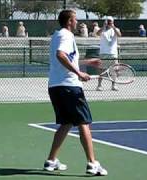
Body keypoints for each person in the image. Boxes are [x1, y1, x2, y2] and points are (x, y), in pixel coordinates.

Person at [44, 9, 108, 176]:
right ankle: (92, 163)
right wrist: (79, 73)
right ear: (69, 21)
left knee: (66, 123)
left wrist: (87, 63)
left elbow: (67, 58)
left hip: (56, 87)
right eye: (75, 19)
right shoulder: (66, 35)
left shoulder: (57, 35)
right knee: (83, 123)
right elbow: (61, 55)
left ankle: (51, 160)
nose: (78, 22)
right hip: (69, 87)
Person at [96, 16, 122, 91]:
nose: (109, 23)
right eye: (108, 21)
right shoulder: (102, 30)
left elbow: (119, 35)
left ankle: (113, 85)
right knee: (101, 70)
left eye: (111, 21)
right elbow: (97, 33)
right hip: (103, 53)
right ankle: (99, 85)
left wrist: (113, 27)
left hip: (113, 53)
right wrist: (103, 26)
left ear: (113, 22)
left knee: (114, 70)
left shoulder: (116, 29)